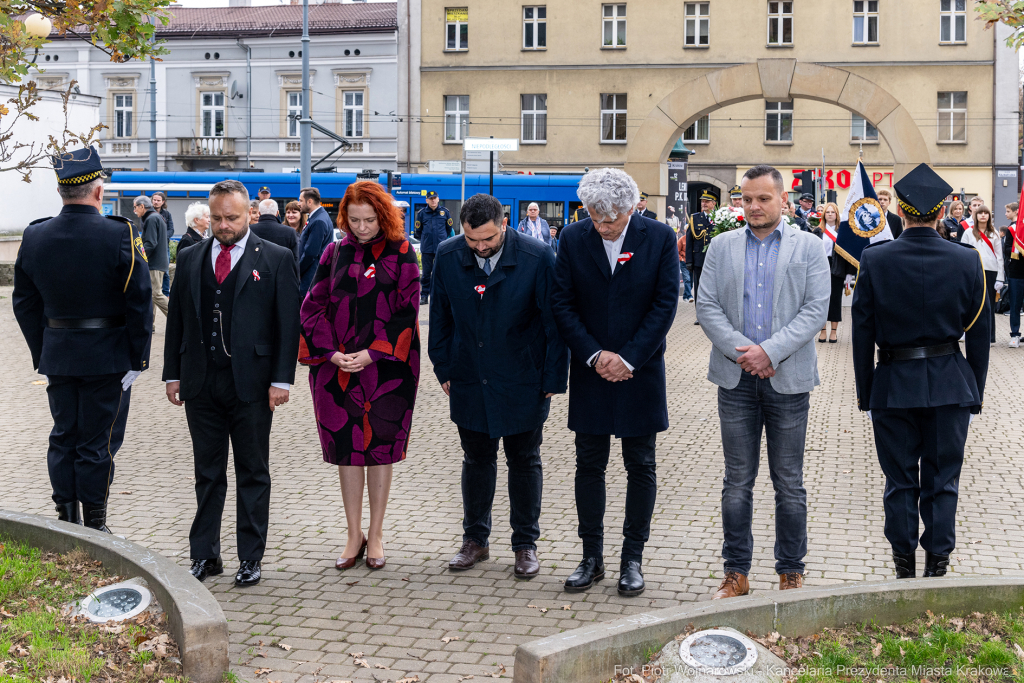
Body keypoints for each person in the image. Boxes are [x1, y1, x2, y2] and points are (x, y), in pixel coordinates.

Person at [695, 164, 830, 599]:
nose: (753, 206)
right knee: (737, 481)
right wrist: (746, 353)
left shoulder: (810, 248)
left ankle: (791, 571)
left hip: (788, 381)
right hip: (735, 382)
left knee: (789, 482)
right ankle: (736, 572)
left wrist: (769, 352)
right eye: (746, 198)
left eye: (763, 198)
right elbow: (707, 305)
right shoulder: (721, 247)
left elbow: (814, 311)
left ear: (783, 201)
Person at [852, 163, 989, 579]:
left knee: (900, 481)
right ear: (939, 210)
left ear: (903, 212)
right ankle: (939, 565)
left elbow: (862, 331)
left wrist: (866, 391)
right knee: (943, 479)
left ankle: (903, 565)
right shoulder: (967, 260)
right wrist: (975, 390)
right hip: (951, 382)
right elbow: (980, 332)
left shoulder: (875, 259)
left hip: (893, 383)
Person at [163, 179, 300, 587]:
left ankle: (250, 558)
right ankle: (205, 555)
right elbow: (178, 321)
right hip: (200, 382)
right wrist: (173, 373)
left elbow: (287, 325)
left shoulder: (276, 257)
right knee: (206, 473)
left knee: (253, 471)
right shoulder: (189, 257)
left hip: (254, 384)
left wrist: (281, 380)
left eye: (232, 218)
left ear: (249, 215)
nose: (223, 225)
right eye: (217, 217)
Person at [551, 168, 679, 597]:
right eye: (595, 219)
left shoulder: (659, 238)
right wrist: (593, 354)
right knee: (589, 464)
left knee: (640, 465)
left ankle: (632, 558)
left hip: (639, 371)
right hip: (591, 371)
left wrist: (628, 357)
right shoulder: (571, 238)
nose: (603, 228)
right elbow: (562, 302)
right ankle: (591, 557)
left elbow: (664, 304)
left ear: (632, 207)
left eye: (612, 221)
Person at [13, 146, 153, 532]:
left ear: (61, 192)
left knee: (63, 436)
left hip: (57, 354)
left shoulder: (35, 233)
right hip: (107, 357)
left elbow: (24, 302)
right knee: (97, 442)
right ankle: (94, 525)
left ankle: (65, 519)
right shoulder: (119, 232)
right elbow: (139, 301)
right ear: (98, 191)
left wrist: (44, 350)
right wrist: (137, 359)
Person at [428, 193, 567, 578]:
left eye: (488, 239)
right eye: (472, 240)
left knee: (524, 461)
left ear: (504, 224)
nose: (480, 247)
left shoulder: (538, 256)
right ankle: (475, 539)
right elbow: (439, 316)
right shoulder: (448, 253)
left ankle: (525, 544)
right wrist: (443, 368)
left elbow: (554, 322)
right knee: (476, 460)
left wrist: (553, 377)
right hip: (469, 376)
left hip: (524, 377)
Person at [299, 181, 420, 572]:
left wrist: (371, 354)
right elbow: (311, 306)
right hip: (337, 370)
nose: (362, 227)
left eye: (369, 219)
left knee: (380, 449)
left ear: (383, 216)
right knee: (347, 452)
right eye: (354, 220)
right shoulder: (334, 252)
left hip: (386, 369)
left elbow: (407, 311)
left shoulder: (403, 253)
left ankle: (378, 532)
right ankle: (354, 533)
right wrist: (332, 354)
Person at [960, 205, 1004, 345]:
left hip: (990, 271)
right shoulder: (968, 232)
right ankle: (967, 333)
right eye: (981, 213)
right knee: (970, 303)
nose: (983, 215)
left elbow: (1000, 257)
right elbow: (962, 253)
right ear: (976, 215)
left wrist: (1000, 278)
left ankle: (990, 336)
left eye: (986, 213)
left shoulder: (995, 234)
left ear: (989, 216)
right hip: (973, 270)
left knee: (989, 305)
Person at [816, 202, 855, 344]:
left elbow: (848, 254)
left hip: (837, 268)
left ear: (837, 214)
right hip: (820, 268)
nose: (830, 214)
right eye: (828, 212)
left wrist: (849, 274)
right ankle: (822, 330)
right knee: (820, 300)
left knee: (835, 300)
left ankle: (833, 332)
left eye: (833, 212)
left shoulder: (843, 232)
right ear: (824, 214)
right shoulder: (818, 231)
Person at [414, 190, 454, 305]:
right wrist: (427, 239)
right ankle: (424, 296)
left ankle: (440, 297)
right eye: (430, 199)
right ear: (427, 200)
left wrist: (441, 240)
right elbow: (418, 231)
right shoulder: (421, 214)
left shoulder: (445, 212)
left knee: (441, 273)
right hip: (427, 249)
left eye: (434, 198)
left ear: (438, 199)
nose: (433, 200)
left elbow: (448, 229)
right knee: (426, 274)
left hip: (441, 249)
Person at [134, 195, 169, 317]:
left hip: (154, 263)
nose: (134, 211)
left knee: (155, 294)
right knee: (151, 294)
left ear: (142, 206)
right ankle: (150, 324)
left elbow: (150, 243)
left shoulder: (151, 219)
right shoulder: (156, 217)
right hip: (158, 262)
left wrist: (139, 258)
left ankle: (177, 318)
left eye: (135, 207)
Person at [298, 187, 335, 297]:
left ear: (310, 202)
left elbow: (311, 253)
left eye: (300, 200)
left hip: (310, 277)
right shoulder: (318, 217)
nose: (298, 204)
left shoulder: (318, 220)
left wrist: (298, 272)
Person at [686, 190, 716, 320]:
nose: (703, 203)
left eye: (707, 201)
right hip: (699, 260)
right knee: (698, 288)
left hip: (715, 260)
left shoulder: (720, 218)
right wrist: (689, 261)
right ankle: (700, 315)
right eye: (702, 201)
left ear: (714, 203)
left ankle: (714, 314)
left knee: (714, 288)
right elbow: (689, 241)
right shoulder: (695, 218)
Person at [252, 199, 300, 264]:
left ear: (259, 213)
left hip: (255, 273)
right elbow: (295, 259)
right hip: (282, 272)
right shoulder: (290, 232)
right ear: (277, 213)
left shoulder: (249, 230)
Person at [1004, 202, 1024, 347]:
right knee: (1015, 305)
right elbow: (1006, 250)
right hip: (1016, 273)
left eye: (1008, 211)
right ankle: (1015, 334)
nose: (1006, 213)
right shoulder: (1011, 229)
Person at [152, 192, 174, 298]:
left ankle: (166, 294)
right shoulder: (148, 213)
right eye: (154, 200)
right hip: (152, 246)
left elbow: (171, 229)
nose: (156, 202)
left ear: (163, 202)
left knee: (165, 271)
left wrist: (163, 237)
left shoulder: (167, 214)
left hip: (164, 246)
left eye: (158, 200)